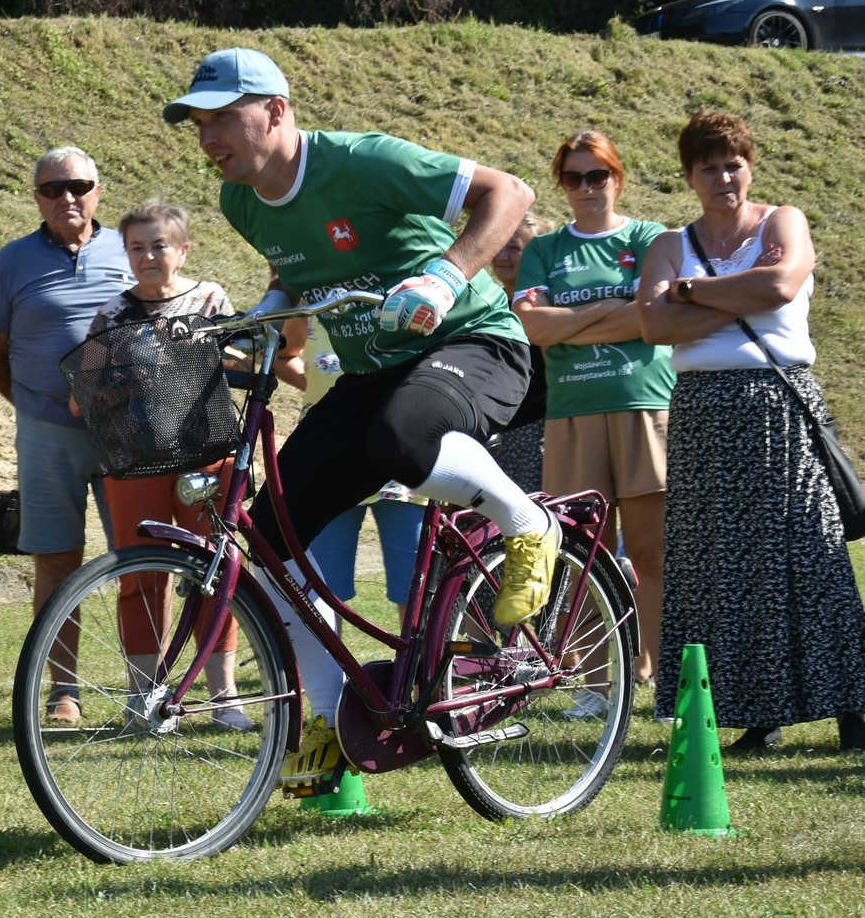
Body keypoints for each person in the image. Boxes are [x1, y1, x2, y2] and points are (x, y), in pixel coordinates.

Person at [164, 46, 550, 787]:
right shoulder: (239, 200)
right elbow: (298, 261)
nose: (208, 139)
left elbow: (511, 192)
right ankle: (326, 723)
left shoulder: (363, 162)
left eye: (221, 119)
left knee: (402, 438)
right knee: (269, 538)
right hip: (378, 370)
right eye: (198, 124)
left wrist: (446, 273)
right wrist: (273, 309)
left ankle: (528, 522)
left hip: (473, 343)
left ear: (276, 110)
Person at [637, 111, 865, 752]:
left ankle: (853, 704)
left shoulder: (782, 221)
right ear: (689, 175)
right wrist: (738, 293)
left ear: (750, 166)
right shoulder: (667, 244)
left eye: (733, 163)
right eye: (708, 166)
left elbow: (783, 281)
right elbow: (654, 327)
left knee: (810, 555)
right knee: (715, 568)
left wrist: (692, 294)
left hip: (778, 405)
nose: (723, 177)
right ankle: (751, 711)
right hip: (703, 413)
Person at [0, 146, 136, 725]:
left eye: (79, 185)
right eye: (52, 189)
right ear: (36, 197)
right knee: (57, 564)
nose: (67, 198)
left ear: (98, 189)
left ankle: (148, 686)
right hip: (47, 432)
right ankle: (63, 690)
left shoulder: (131, 248)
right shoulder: (12, 261)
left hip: (128, 433)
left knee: (140, 561)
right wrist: (34, 408)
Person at [77, 199, 248, 729]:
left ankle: (224, 696)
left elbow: (247, 361)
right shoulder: (111, 314)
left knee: (214, 572)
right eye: (137, 247)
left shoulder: (210, 297)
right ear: (125, 253)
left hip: (206, 453)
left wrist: (203, 351)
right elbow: (79, 399)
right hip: (137, 460)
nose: (148, 255)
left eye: (159, 245)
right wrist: (131, 378)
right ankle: (145, 698)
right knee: (141, 574)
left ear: (183, 250)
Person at [514, 132, 673, 691]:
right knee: (585, 557)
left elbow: (650, 320)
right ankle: (599, 682)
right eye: (573, 177)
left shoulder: (651, 238)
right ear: (561, 184)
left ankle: (661, 672)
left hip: (643, 405)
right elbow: (534, 327)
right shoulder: (545, 249)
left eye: (596, 175)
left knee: (651, 554)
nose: (586, 188)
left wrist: (574, 320)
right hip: (573, 414)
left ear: (617, 176)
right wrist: (612, 307)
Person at [276, 316, 426, 610]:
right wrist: (331, 392)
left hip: (398, 458)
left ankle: (421, 659)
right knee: (320, 593)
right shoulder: (311, 304)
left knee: (417, 595)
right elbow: (284, 356)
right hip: (327, 463)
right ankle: (329, 659)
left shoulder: (399, 295)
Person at [485, 214, 549, 492]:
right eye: (498, 245)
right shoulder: (490, 303)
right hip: (495, 428)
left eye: (514, 248)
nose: (502, 255)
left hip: (535, 428)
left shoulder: (546, 304)